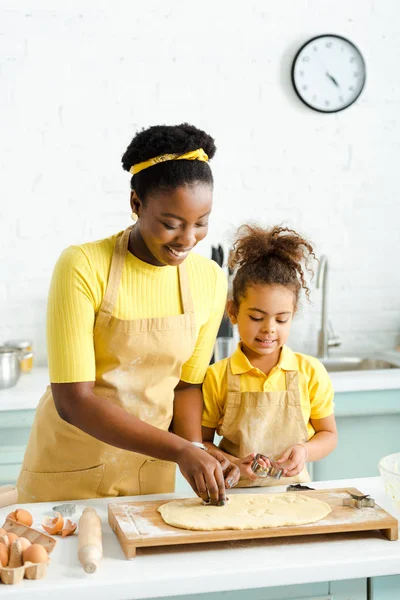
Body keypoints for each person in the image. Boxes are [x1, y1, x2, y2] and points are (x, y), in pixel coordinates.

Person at [17, 123, 240, 504]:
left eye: (200, 223)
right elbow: (74, 401)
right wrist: (180, 451)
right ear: (136, 204)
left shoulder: (209, 279)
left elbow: (186, 386)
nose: (187, 240)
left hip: (149, 475)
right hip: (69, 472)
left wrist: (196, 448)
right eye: (171, 224)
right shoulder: (83, 266)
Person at [201, 224, 338, 487]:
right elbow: (201, 443)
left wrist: (305, 451)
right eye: (256, 317)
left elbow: (328, 434)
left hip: (296, 494)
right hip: (235, 497)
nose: (269, 328)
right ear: (233, 312)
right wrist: (229, 461)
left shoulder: (310, 372)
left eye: (281, 319)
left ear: (292, 315)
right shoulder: (216, 377)